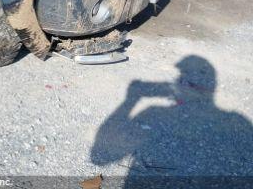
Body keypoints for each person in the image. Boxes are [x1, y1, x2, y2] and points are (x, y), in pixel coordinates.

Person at [91, 56, 253, 187]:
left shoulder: (153, 112)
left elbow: (98, 159)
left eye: (182, 79)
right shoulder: (239, 121)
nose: (178, 81)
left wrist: (131, 99)